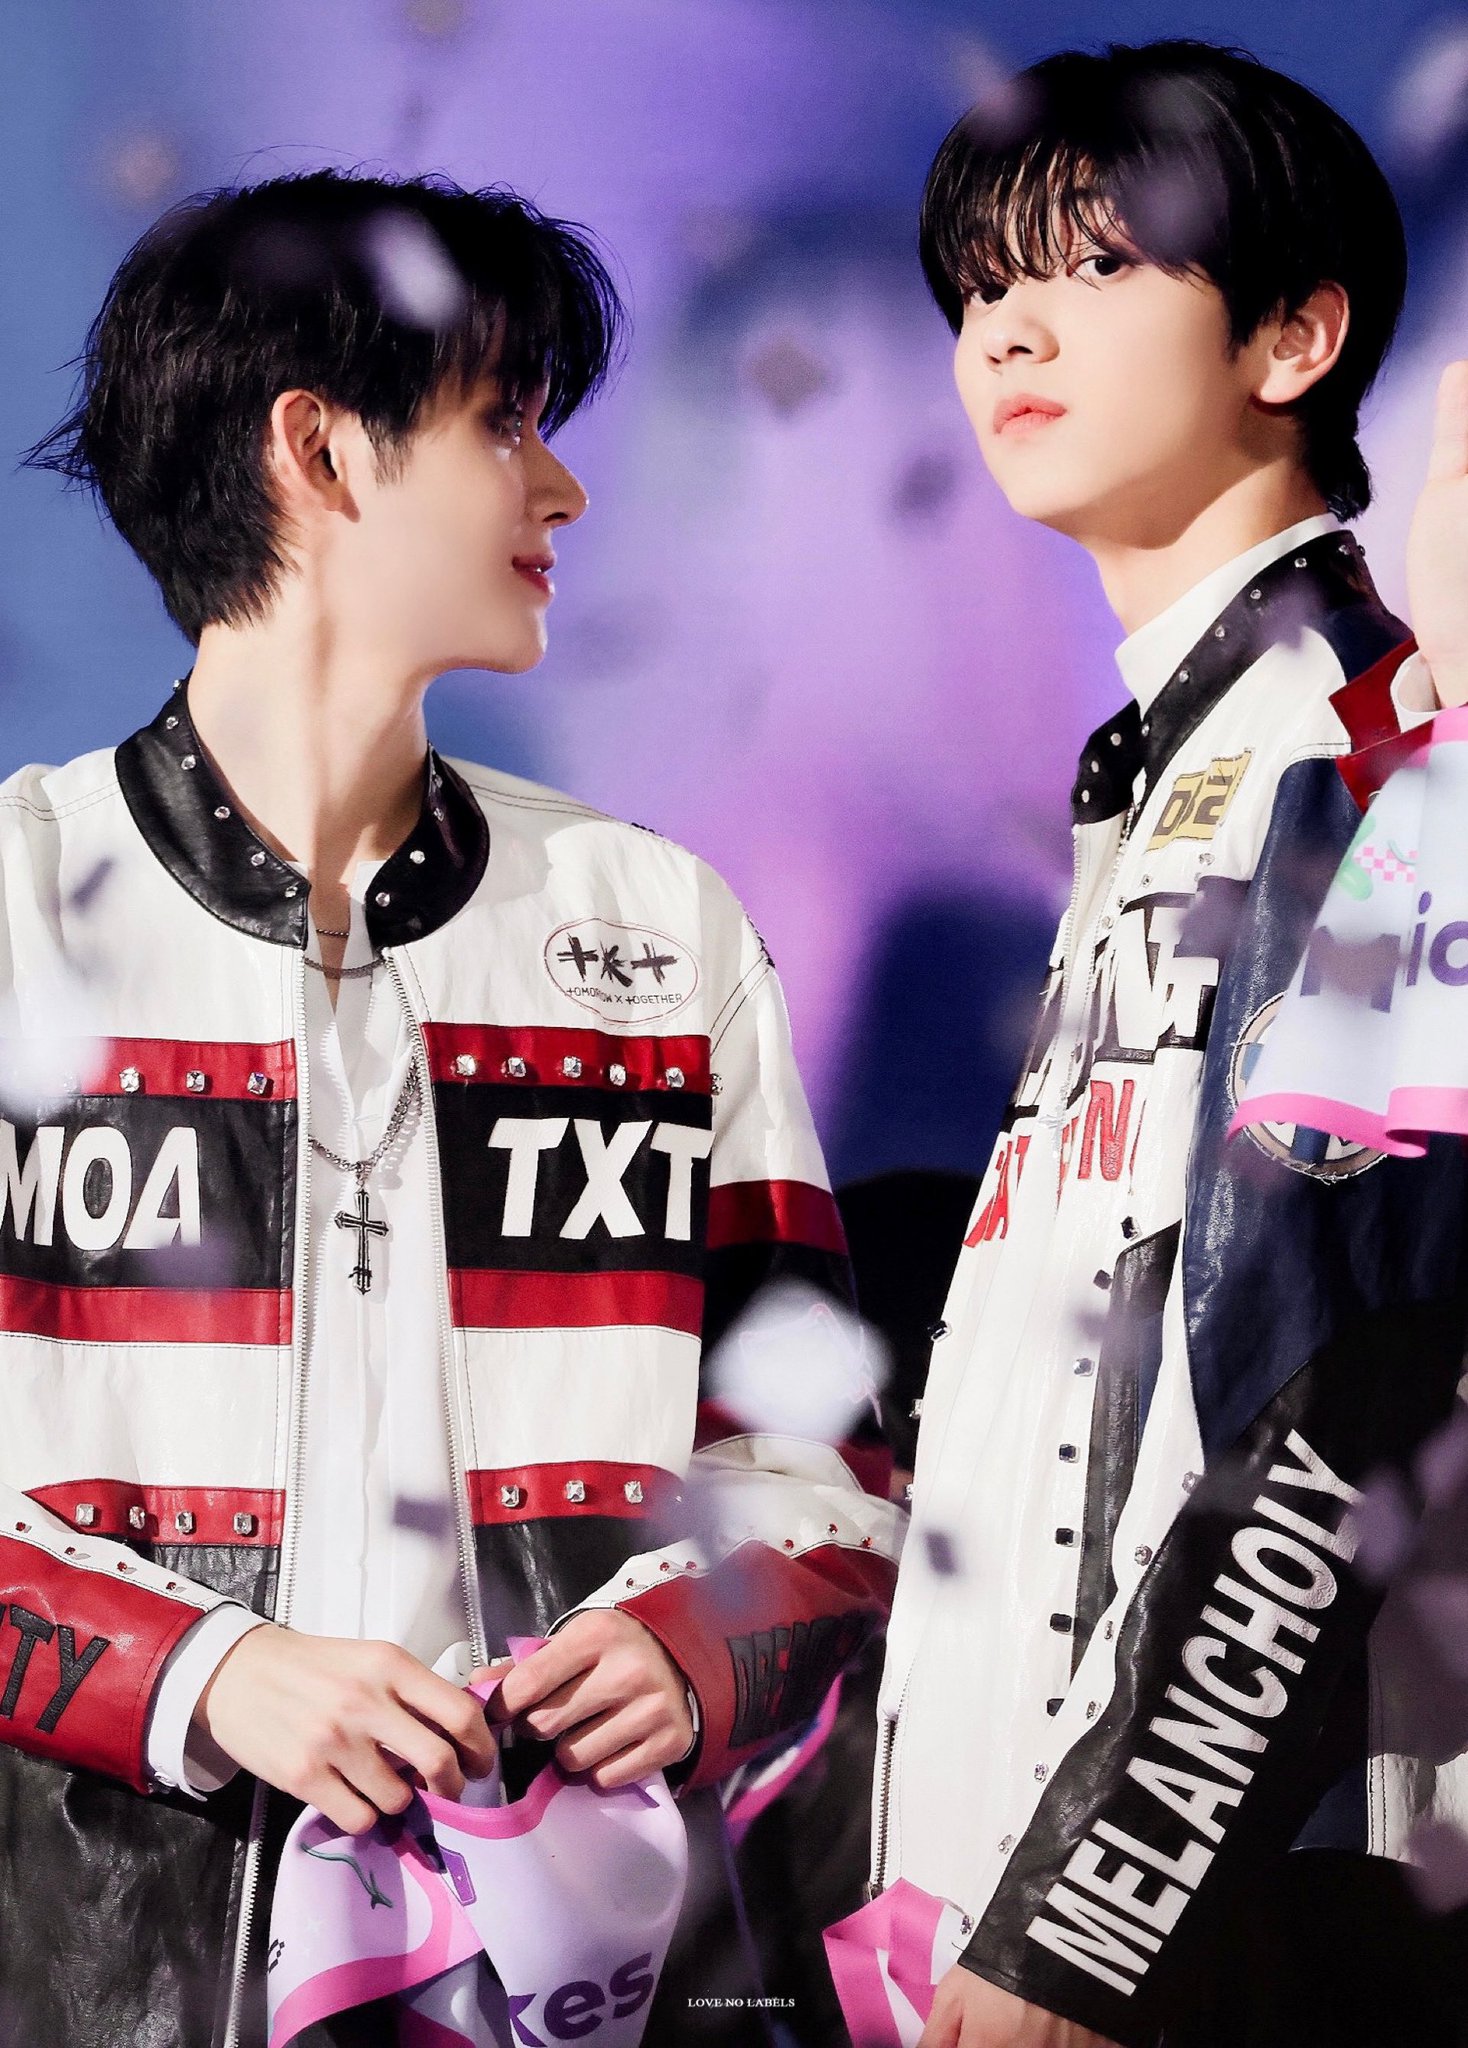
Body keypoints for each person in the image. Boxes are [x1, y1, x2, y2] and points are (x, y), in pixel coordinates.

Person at [2, 169, 902, 2048]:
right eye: (505, 421)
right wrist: (203, 1673)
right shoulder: (16, 904)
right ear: (317, 452)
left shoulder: (655, 922)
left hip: (583, 1969)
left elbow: (836, 1482)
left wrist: (694, 1642)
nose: (561, 489)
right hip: (98, 1965)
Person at [872, 41, 1468, 2048]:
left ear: (1293, 335)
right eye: (979, 286)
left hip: (1240, 1925)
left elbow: (1336, 1394)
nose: (1004, 331)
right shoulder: (1170, 766)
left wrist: (1082, 1923)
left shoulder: (1372, 758)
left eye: (1095, 266)